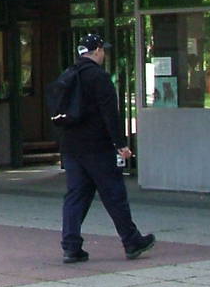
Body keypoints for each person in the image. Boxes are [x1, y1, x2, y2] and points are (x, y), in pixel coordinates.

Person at [57, 34, 155, 263]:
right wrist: (120, 144)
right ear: (98, 50)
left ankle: (71, 246)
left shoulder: (68, 75)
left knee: (75, 196)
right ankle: (131, 241)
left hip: (71, 147)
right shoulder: (99, 77)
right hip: (97, 147)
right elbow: (110, 114)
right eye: (103, 50)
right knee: (114, 194)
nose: (104, 54)